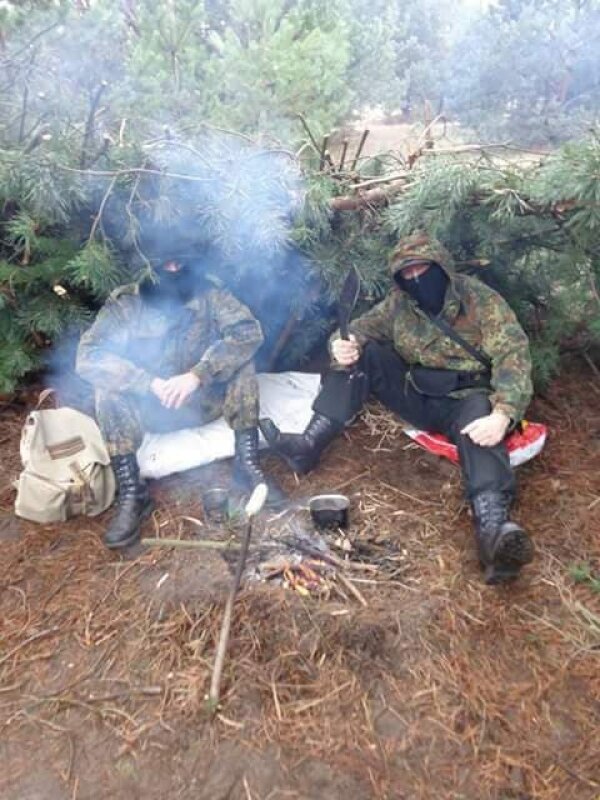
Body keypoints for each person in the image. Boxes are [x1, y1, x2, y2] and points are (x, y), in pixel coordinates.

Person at [260, 232, 534, 585]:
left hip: (466, 399)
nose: (417, 280)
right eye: (409, 274)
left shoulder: (480, 301)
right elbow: (357, 330)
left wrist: (504, 413)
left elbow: (514, 356)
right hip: (416, 392)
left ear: (442, 267)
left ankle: (493, 533)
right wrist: (342, 345)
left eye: (424, 270)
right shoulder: (399, 303)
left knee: (481, 425)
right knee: (363, 356)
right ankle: (309, 444)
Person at [77, 252, 283, 550]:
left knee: (241, 363)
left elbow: (248, 332)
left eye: (179, 262)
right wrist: (147, 383)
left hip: (200, 402)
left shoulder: (210, 293)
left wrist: (199, 374)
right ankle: (133, 492)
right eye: (165, 263)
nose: (173, 268)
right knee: (107, 389)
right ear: (149, 264)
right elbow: (89, 356)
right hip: (151, 409)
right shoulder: (126, 304)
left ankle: (247, 466)